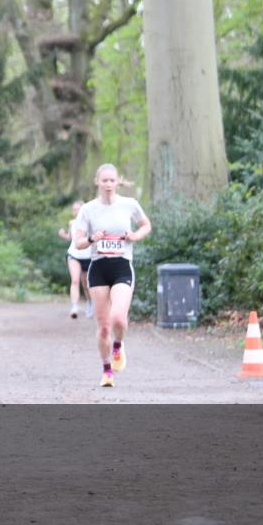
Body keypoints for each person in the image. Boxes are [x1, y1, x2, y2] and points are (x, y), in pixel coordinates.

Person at [73, 164, 151, 388]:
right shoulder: (88, 209)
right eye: (104, 180)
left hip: (122, 266)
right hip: (98, 268)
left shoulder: (129, 204)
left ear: (117, 182)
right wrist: (92, 239)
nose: (108, 184)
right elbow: (78, 243)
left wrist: (134, 236)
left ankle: (118, 345)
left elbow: (146, 225)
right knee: (104, 326)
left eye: (112, 180)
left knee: (118, 318)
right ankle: (107, 370)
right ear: (97, 182)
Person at [58, 200, 92, 319]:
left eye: (78, 209)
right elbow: (71, 237)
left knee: (87, 284)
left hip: (88, 256)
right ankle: (74, 307)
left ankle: (90, 303)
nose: (76, 211)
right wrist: (63, 235)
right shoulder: (72, 223)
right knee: (75, 281)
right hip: (74, 255)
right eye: (74, 209)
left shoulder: (90, 223)